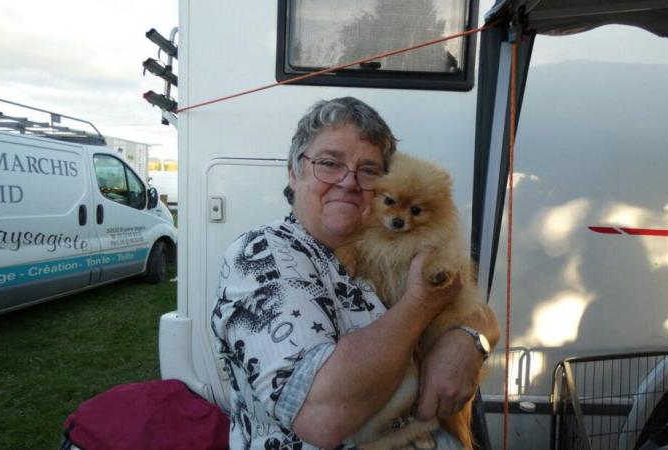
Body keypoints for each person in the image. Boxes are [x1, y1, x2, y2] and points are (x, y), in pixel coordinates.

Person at [211, 97, 498, 450]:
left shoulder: (384, 243)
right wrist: (421, 303)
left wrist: (469, 339)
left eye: (368, 171)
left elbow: (475, 309)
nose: (348, 182)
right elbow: (323, 417)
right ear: (294, 171)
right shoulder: (262, 255)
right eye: (329, 163)